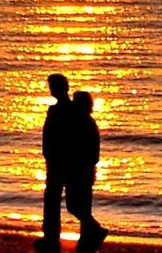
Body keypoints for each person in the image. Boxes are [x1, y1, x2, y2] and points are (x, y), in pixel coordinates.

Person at [35, 74, 109, 253]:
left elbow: (77, 140)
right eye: (51, 86)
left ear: (64, 88)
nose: (52, 90)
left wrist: (83, 163)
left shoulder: (72, 112)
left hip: (64, 164)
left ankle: (86, 233)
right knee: (55, 202)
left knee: (67, 202)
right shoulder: (58, 110)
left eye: (54, 86)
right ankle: (52, 238)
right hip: (58, 162)